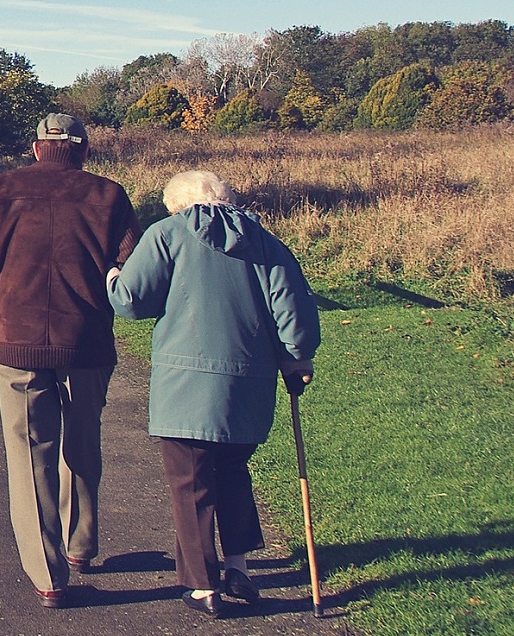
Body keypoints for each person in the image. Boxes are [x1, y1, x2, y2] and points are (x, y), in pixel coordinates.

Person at [106, 170, 321, 619]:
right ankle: (238, 567)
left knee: (191, 482)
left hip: (185, 386)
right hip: (249, 385)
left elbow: (131, 300)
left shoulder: (167, 234)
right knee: (233, 471)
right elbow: (293, 313)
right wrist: (297, 359)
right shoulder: (266, 242)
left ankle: (203, 585)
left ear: (177, 205)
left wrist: (112, 276)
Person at [0, 113, 142, 609]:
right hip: (87, 342)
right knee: (83, 441)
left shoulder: (3, 189)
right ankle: (80, 544)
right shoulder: (109, 195)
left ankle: (48, 575)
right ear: (84, 150)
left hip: (17, 341)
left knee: (29, 454)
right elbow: (133, 269)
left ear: (37, 148)